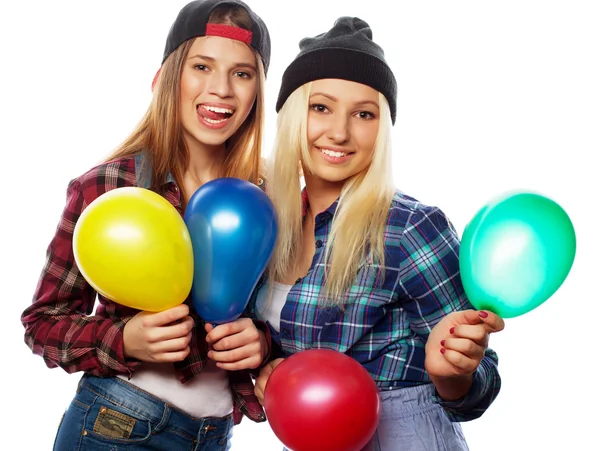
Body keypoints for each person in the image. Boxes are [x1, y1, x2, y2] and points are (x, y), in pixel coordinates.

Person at [20, 1, 274, 449]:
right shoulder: (106, 187)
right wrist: (124, 340)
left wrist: (260, 346)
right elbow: (42, 323)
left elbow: (287, 318)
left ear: (257, 92)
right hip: (116, 424)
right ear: (168, 77)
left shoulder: (267, 200)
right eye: (202, 66)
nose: (221, 89)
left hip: (214, 435)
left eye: (242, 73)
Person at [250, 16, 505, 451]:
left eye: (363, 114)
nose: (340, 131)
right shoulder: (267, 221)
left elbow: (483, 379)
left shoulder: (409, 227)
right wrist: (269, 367)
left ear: (381, 128)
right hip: (317, 434)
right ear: (293, 116)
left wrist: (455, 375)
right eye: (321, 107)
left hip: (404, 433)